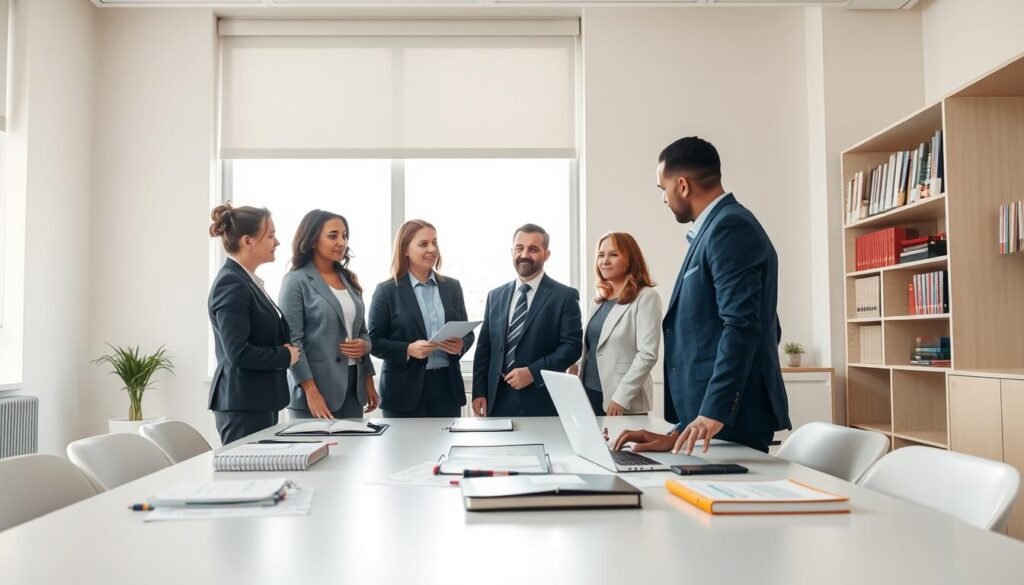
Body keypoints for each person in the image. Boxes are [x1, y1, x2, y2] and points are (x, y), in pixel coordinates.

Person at [614, 136, 790, 455]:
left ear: (682, 185)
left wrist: (714, 411)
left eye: (662, 189)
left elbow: (743, 325)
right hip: (707, 421)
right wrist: (679, 430)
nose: (664, 199)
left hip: (729, 421)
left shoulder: (730, 228)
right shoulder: (715, 230)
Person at [207, 203, 299, 445]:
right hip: (243, 406)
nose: (277, 242)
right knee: (247, 480)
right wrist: (284, 356)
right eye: (270, 236)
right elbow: (237, 353)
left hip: (257, 402)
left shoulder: (245, 281)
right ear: (248, 241)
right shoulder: (231, 284)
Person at [472, 224, 583, 417]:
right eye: (519, 248)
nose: (524, 254)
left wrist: (533, 372)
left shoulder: (564, 296)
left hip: (541, 397)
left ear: (546, 254)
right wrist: (479, 391)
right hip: (497, 399)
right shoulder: (495, 296)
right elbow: (485, 348)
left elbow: (572, 347)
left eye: (533, 249)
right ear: (512, 251)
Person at [279, 210, 379, 420]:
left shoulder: (349, 280)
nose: (341, 242)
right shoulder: (296, 281)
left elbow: (362, 332)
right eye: (333, 236)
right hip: (315, 391)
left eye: (344, 236)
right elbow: (292, 341)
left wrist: (367, 367)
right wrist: (310, 390)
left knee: (353, 452)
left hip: (353, 389)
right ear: (313, 239)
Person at [368, 220, 474, 417]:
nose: (432, 249)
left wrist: (461, 345)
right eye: (423, 244)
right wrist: (408, 349)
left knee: (447, 447)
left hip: (446, 388)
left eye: (435, 242)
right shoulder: (387, 291)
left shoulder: (452, 287)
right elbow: (373, 342)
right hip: (402, 390)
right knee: (406, 448)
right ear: (405, 249)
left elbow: (467, 333)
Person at [571, 232, 662, 416]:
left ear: (630, 259)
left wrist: (621, 397)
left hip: (621, 398)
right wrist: (576, 367)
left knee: (619, 445)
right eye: (601, 255)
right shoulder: (598, 300)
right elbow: (596, 346)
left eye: (613, 254)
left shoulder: (646, 297)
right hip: (589, 392)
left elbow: (648, 354)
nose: (605, 261)